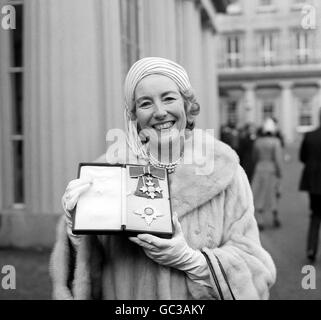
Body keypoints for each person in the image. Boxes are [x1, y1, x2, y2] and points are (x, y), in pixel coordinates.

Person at [49, 57, 276, 300]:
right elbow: (85, 278)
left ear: (187, 106)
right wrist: (77, 233)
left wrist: (195, 262)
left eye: (169, 98)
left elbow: (257, 268)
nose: (159, 112)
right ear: (134, 116)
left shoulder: (224, 170)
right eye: (145, 103)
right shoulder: (109, 173)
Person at [252, 118, 283, 230]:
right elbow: (278, 159)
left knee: (260, 194)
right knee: (273, 194)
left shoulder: (258, 142)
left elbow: (254, 157)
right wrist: (280, 173)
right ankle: (275, 217)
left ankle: (260, 219)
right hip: (272, 170)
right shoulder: (276, 142)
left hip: (260, 169)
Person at [299, 109, 321, 263]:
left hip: (314, 182)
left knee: (315, 215)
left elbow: (302, 157)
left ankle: (311, 248)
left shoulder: (309, 135)